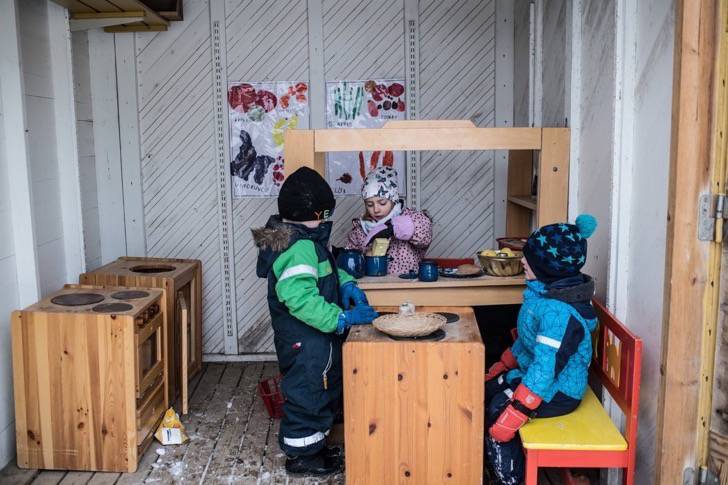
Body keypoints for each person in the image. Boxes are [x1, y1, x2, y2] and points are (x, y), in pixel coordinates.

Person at [253, 167, 378, 476]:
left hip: (315, 340)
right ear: (306, 213)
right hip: (305, 340)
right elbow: (300, 297)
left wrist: (346, 282)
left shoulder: (307, 240)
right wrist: (341, 317)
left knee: (321, 387)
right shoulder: (299, 248)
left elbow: (327, 268)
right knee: (307, 393)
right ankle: (302, 457)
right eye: (322, 215)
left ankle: (317, 444)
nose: (326, 221)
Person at [484, 214, 599, 485]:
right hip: (536, 378)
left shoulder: (558, 313)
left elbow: (546, 368)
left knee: (499, 416)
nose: (522, 261)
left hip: (558, 391)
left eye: (529, 258)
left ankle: (510, 479)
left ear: (550, 267)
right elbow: (527, 341)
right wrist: (506, 364)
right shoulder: (543, 294)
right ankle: (488, 462)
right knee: (485, 390)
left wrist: (518, 411)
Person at [346, 166, 433, 275]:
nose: (376, 209)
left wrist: (394, 227)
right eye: (370, 204)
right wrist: (364, 255)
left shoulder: (411, 217)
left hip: (408, 286)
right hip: (374, 287)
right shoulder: (360, 230)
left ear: (393, 200)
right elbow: (350, 262)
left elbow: (425, 235)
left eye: (382, 203)